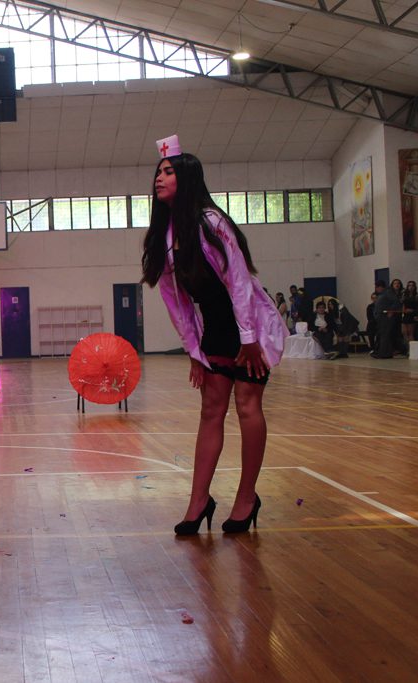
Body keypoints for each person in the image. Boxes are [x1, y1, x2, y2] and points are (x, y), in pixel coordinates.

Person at [141, 135, 287, 535]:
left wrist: (249, 338)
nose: (159, 178)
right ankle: (198, 500)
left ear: (187, 178)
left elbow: (239, 282)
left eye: (168, 172)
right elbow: (177, 302)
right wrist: (193, 349)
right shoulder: (164, 237)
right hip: (215, 331)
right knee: (210, 410)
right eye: (158, 173)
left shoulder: (211, 222)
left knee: (247, 407)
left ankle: (247, 498)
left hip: (248, 325)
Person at [371, 280, 400, 358]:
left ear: (381, 287)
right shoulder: (382, 294)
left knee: (384, 335)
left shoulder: (388, 292)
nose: (376, 289)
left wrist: (391, 311)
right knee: (384, 335)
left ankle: (383, 353)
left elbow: (396, 302)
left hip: (385, 317)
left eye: (377, 287)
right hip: (381, 318)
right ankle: (388, 353)